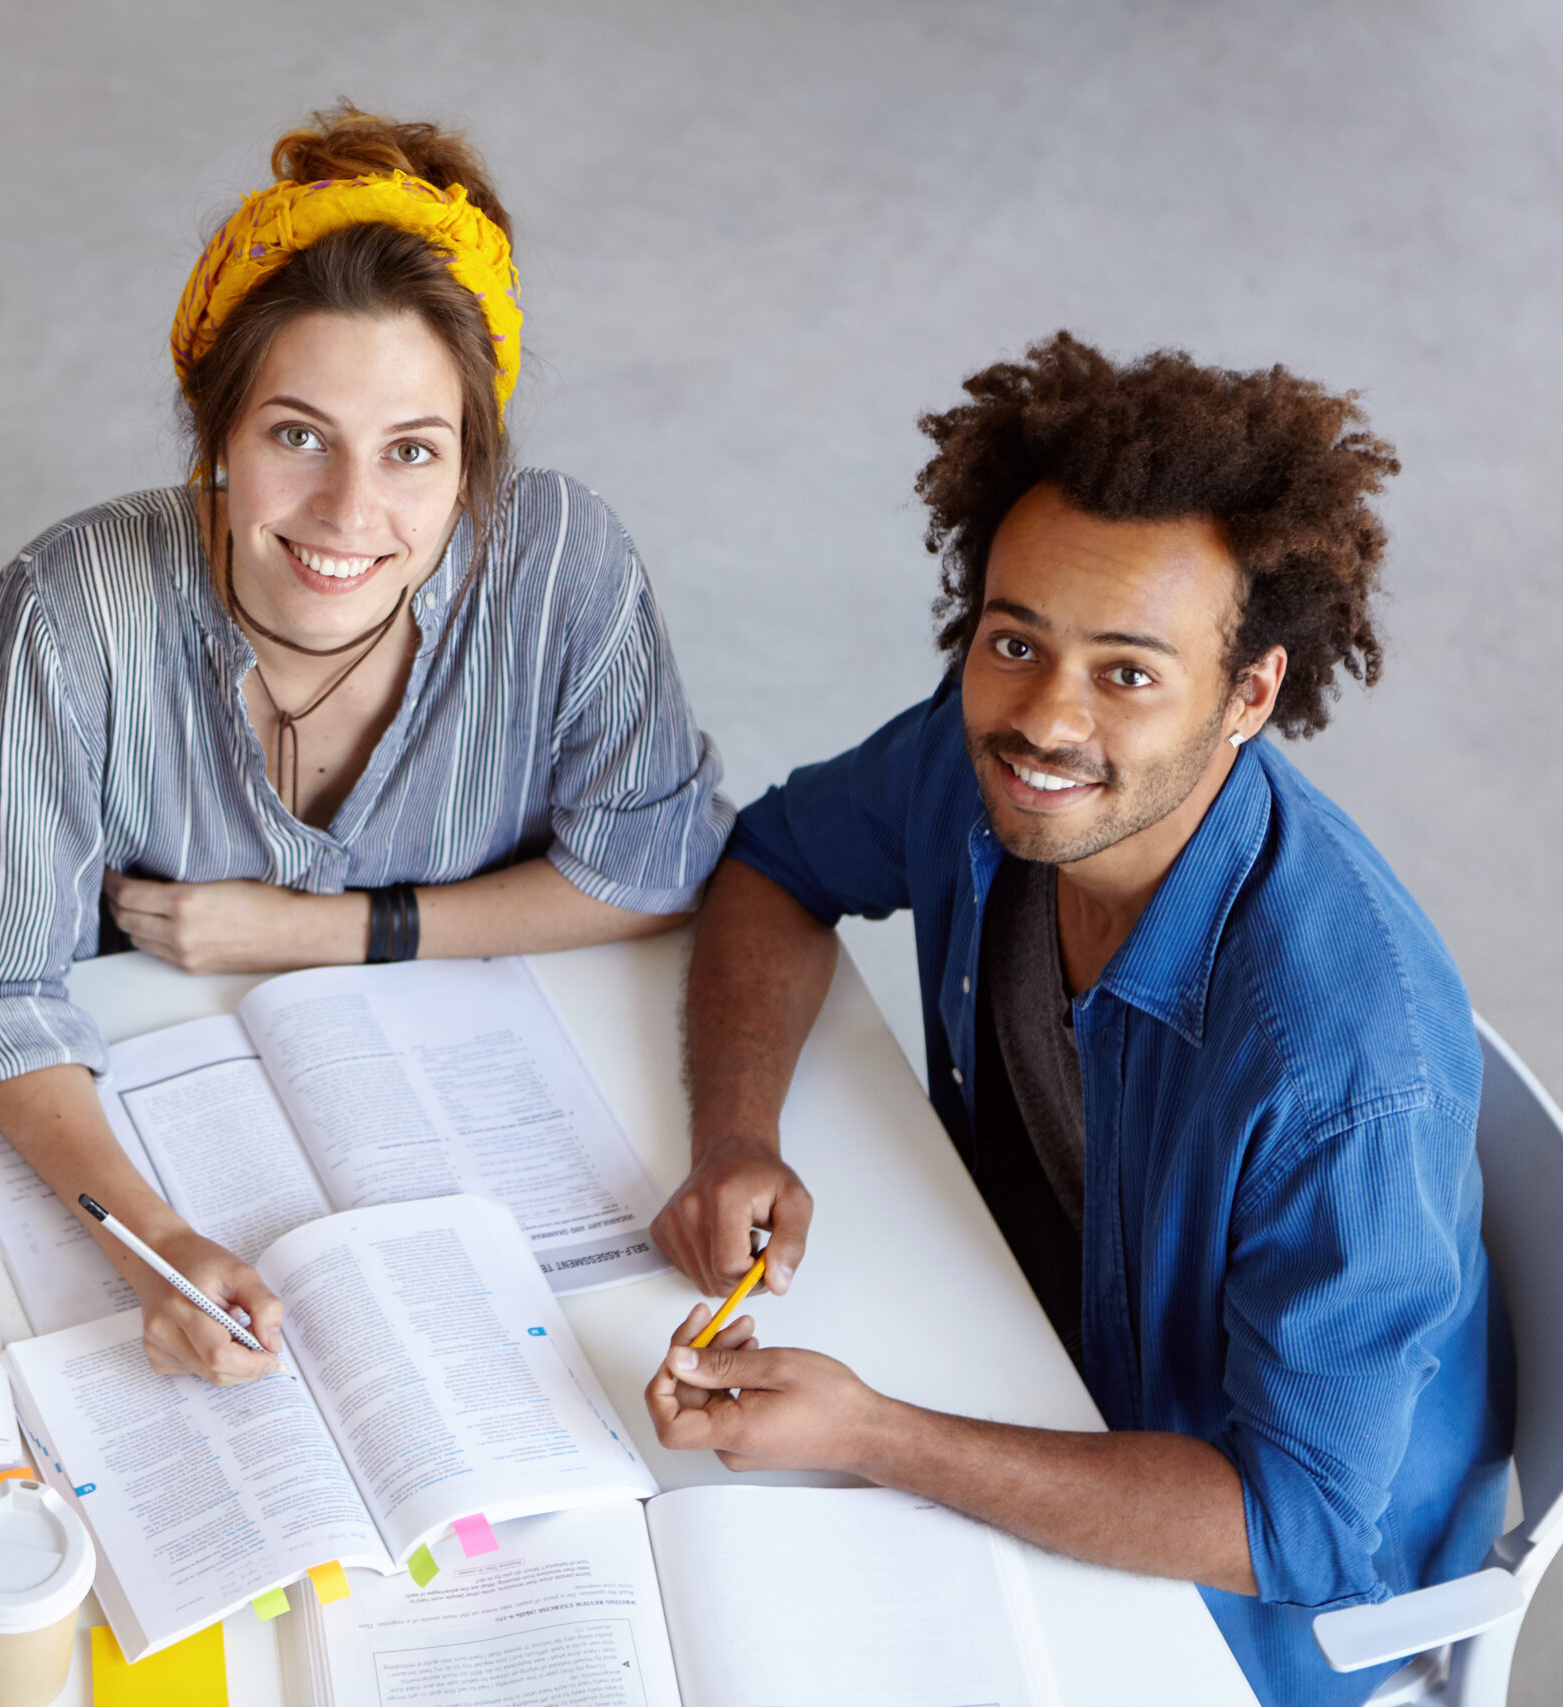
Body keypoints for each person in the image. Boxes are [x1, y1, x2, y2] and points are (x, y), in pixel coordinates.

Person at [645, 334, 1508, 1705]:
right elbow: (778, 859)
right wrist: (735, 1131)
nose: (1045, 717)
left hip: (1236, 1600)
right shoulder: (984, 752)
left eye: (1127, 671)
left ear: (1250, 692)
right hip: (1011, 1349)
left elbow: (1291, 1526)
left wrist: (879, 1434)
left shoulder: (1352, 1071)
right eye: (1014, 639)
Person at [0, 106, 729, 1387]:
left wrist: (314, 928)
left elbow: (654, 868)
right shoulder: (68, 607)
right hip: (171, 1104)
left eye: (413, 452)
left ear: (471, 467)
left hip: (484, 1111)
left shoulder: (562, 559)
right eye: (298, 436)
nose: (352, 515)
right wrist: (158, 1247)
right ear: (216, 442)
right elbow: (0, 996)